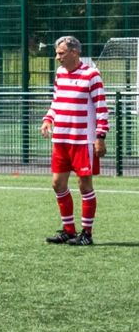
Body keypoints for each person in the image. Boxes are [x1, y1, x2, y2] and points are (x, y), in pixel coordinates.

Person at [41, 35, 108, 246]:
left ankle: (86, 234)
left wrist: (100, 137)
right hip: (60, 139)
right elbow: (56, 101)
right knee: (57, 183)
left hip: (83, 141)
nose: (57, 57)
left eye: (61, 53)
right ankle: (69, 230)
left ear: (74, 52)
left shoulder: (92, 75)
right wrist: (48, 119)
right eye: (57, 53)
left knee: (84, 185)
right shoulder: (60, 74)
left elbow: (102, 108)